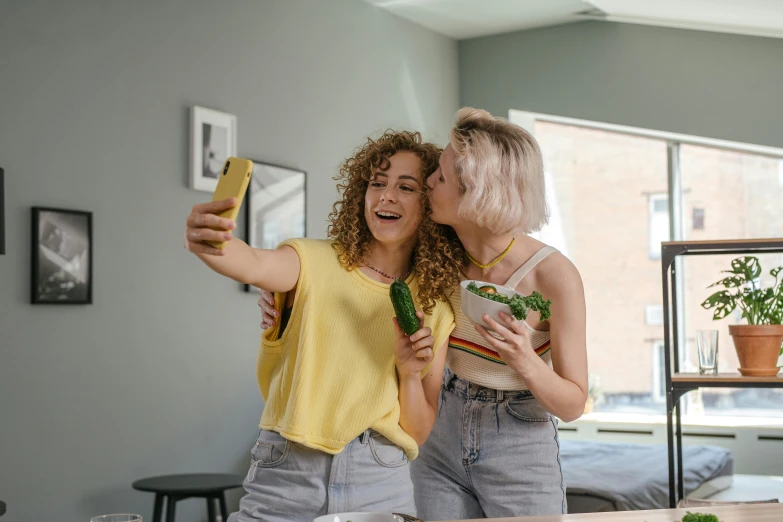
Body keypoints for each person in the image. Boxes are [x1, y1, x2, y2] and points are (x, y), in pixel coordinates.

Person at [259, 108, 588, 519]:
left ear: (476, 192)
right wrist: (287, 303)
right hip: (441, 434)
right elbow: (359, 280)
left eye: (441, 178)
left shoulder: (553, 276)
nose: (430, 181)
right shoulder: (438, 260)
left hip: (519, 436)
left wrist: (524, 359)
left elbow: (574, 403)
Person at [184, 130, 463, 521]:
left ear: (429, 201)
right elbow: (253, 263)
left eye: (406, 187)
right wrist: (212, 243)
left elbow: (415, 432)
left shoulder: (434, 309)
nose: (386, 195)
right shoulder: (311, 261)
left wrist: (410, 375)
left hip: (379, 476)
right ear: (360, 195)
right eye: (377, 183)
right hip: (288, 472)